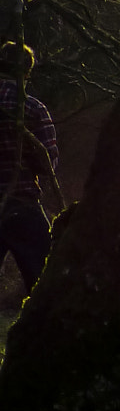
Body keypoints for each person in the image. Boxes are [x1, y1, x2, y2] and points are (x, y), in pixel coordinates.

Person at [0, 41, 61, 300]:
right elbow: (48, 164)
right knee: (45, 283)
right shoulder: (33, 108)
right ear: (27, 72)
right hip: (23, 203)